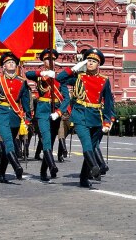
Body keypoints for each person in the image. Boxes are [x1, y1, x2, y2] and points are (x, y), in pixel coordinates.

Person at [54, 48, 115, 188]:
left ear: (98, 64)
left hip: (96, 117)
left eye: (93, 61)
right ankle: (94, 167)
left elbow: (108, 103)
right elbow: (59, 79)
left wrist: (108, 121)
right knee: (86, 144)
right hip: (80, 115)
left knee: (93, 147)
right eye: (88, 61)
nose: (90, 63)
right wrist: (75, 68)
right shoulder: (78, 77)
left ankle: (83, 178)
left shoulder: (104, 80)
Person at [0, 52, 31, 183]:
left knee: (8, 145)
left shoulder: (22, 82)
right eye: (8, 63)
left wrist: (28, 118)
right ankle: (17, 166)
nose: (11, 64)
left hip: (15, 115)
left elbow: (25, 100)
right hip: (0, 113)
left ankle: (1, 174)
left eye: (13, 62)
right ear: (4, 67)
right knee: (8, 141)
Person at [26, 48, 69, 182]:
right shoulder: (40, 76)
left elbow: (66, 98)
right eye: (46, 59)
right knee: (46, 138)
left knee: (51, 140)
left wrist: (59, 112)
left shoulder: (60, 78)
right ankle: (52, 166)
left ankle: (43, 170)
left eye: (52, 59)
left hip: (55, 111)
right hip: (43, 110)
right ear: (43, 61)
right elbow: (28, 74)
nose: (49, 62)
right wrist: (43, 73)